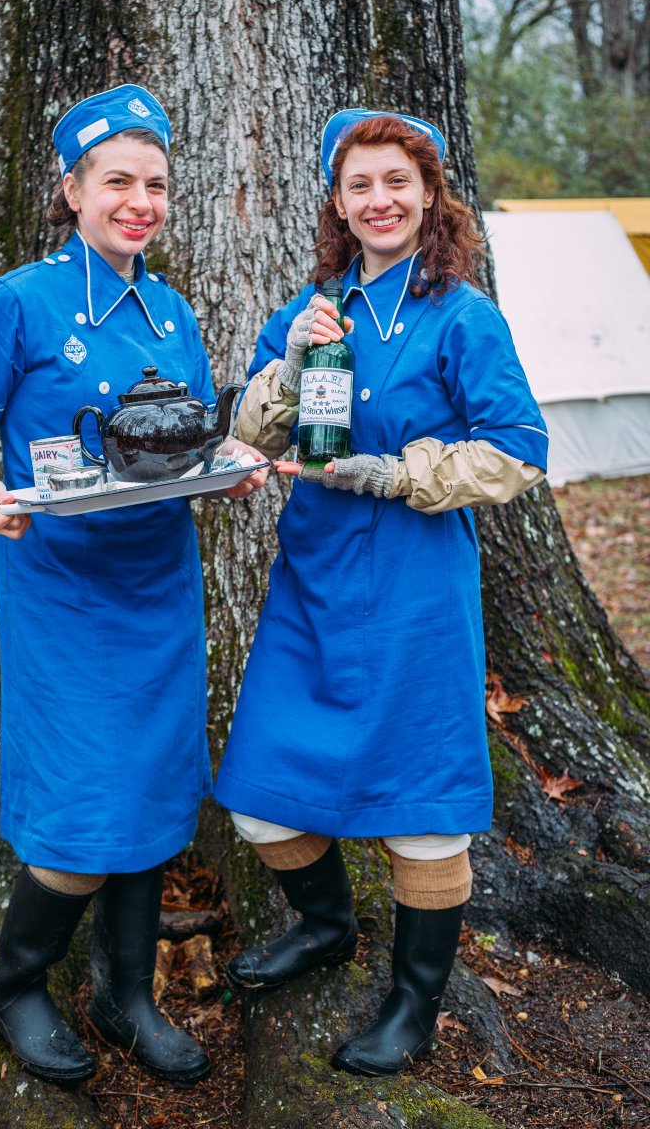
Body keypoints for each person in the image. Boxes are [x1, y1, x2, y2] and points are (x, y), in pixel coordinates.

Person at [0, 84, 266, 1086]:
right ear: (71, 189)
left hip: (158, 588)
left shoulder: (170, 310)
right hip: (61, 594)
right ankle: (18, 986)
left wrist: (231, 458)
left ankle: (126, 995)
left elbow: (185, 441)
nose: (139, 201)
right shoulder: (18, 301)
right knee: (77, 809)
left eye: (155, 184)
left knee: (157, 792)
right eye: (118, 181)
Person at [213, 109, 548, 1077]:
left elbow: (518, 451)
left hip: (413, 587)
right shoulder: (314, 305)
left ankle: (411, 1002)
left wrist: (403, 474)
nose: (379, 201)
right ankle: (325, 927)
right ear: (336, 202)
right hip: (312, 582)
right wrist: (289, 360)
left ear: (428, 193)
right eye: (358, 185)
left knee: (422, 811)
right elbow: (253, 431)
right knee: (261, 803)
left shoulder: (460, 314)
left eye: (395, 182)